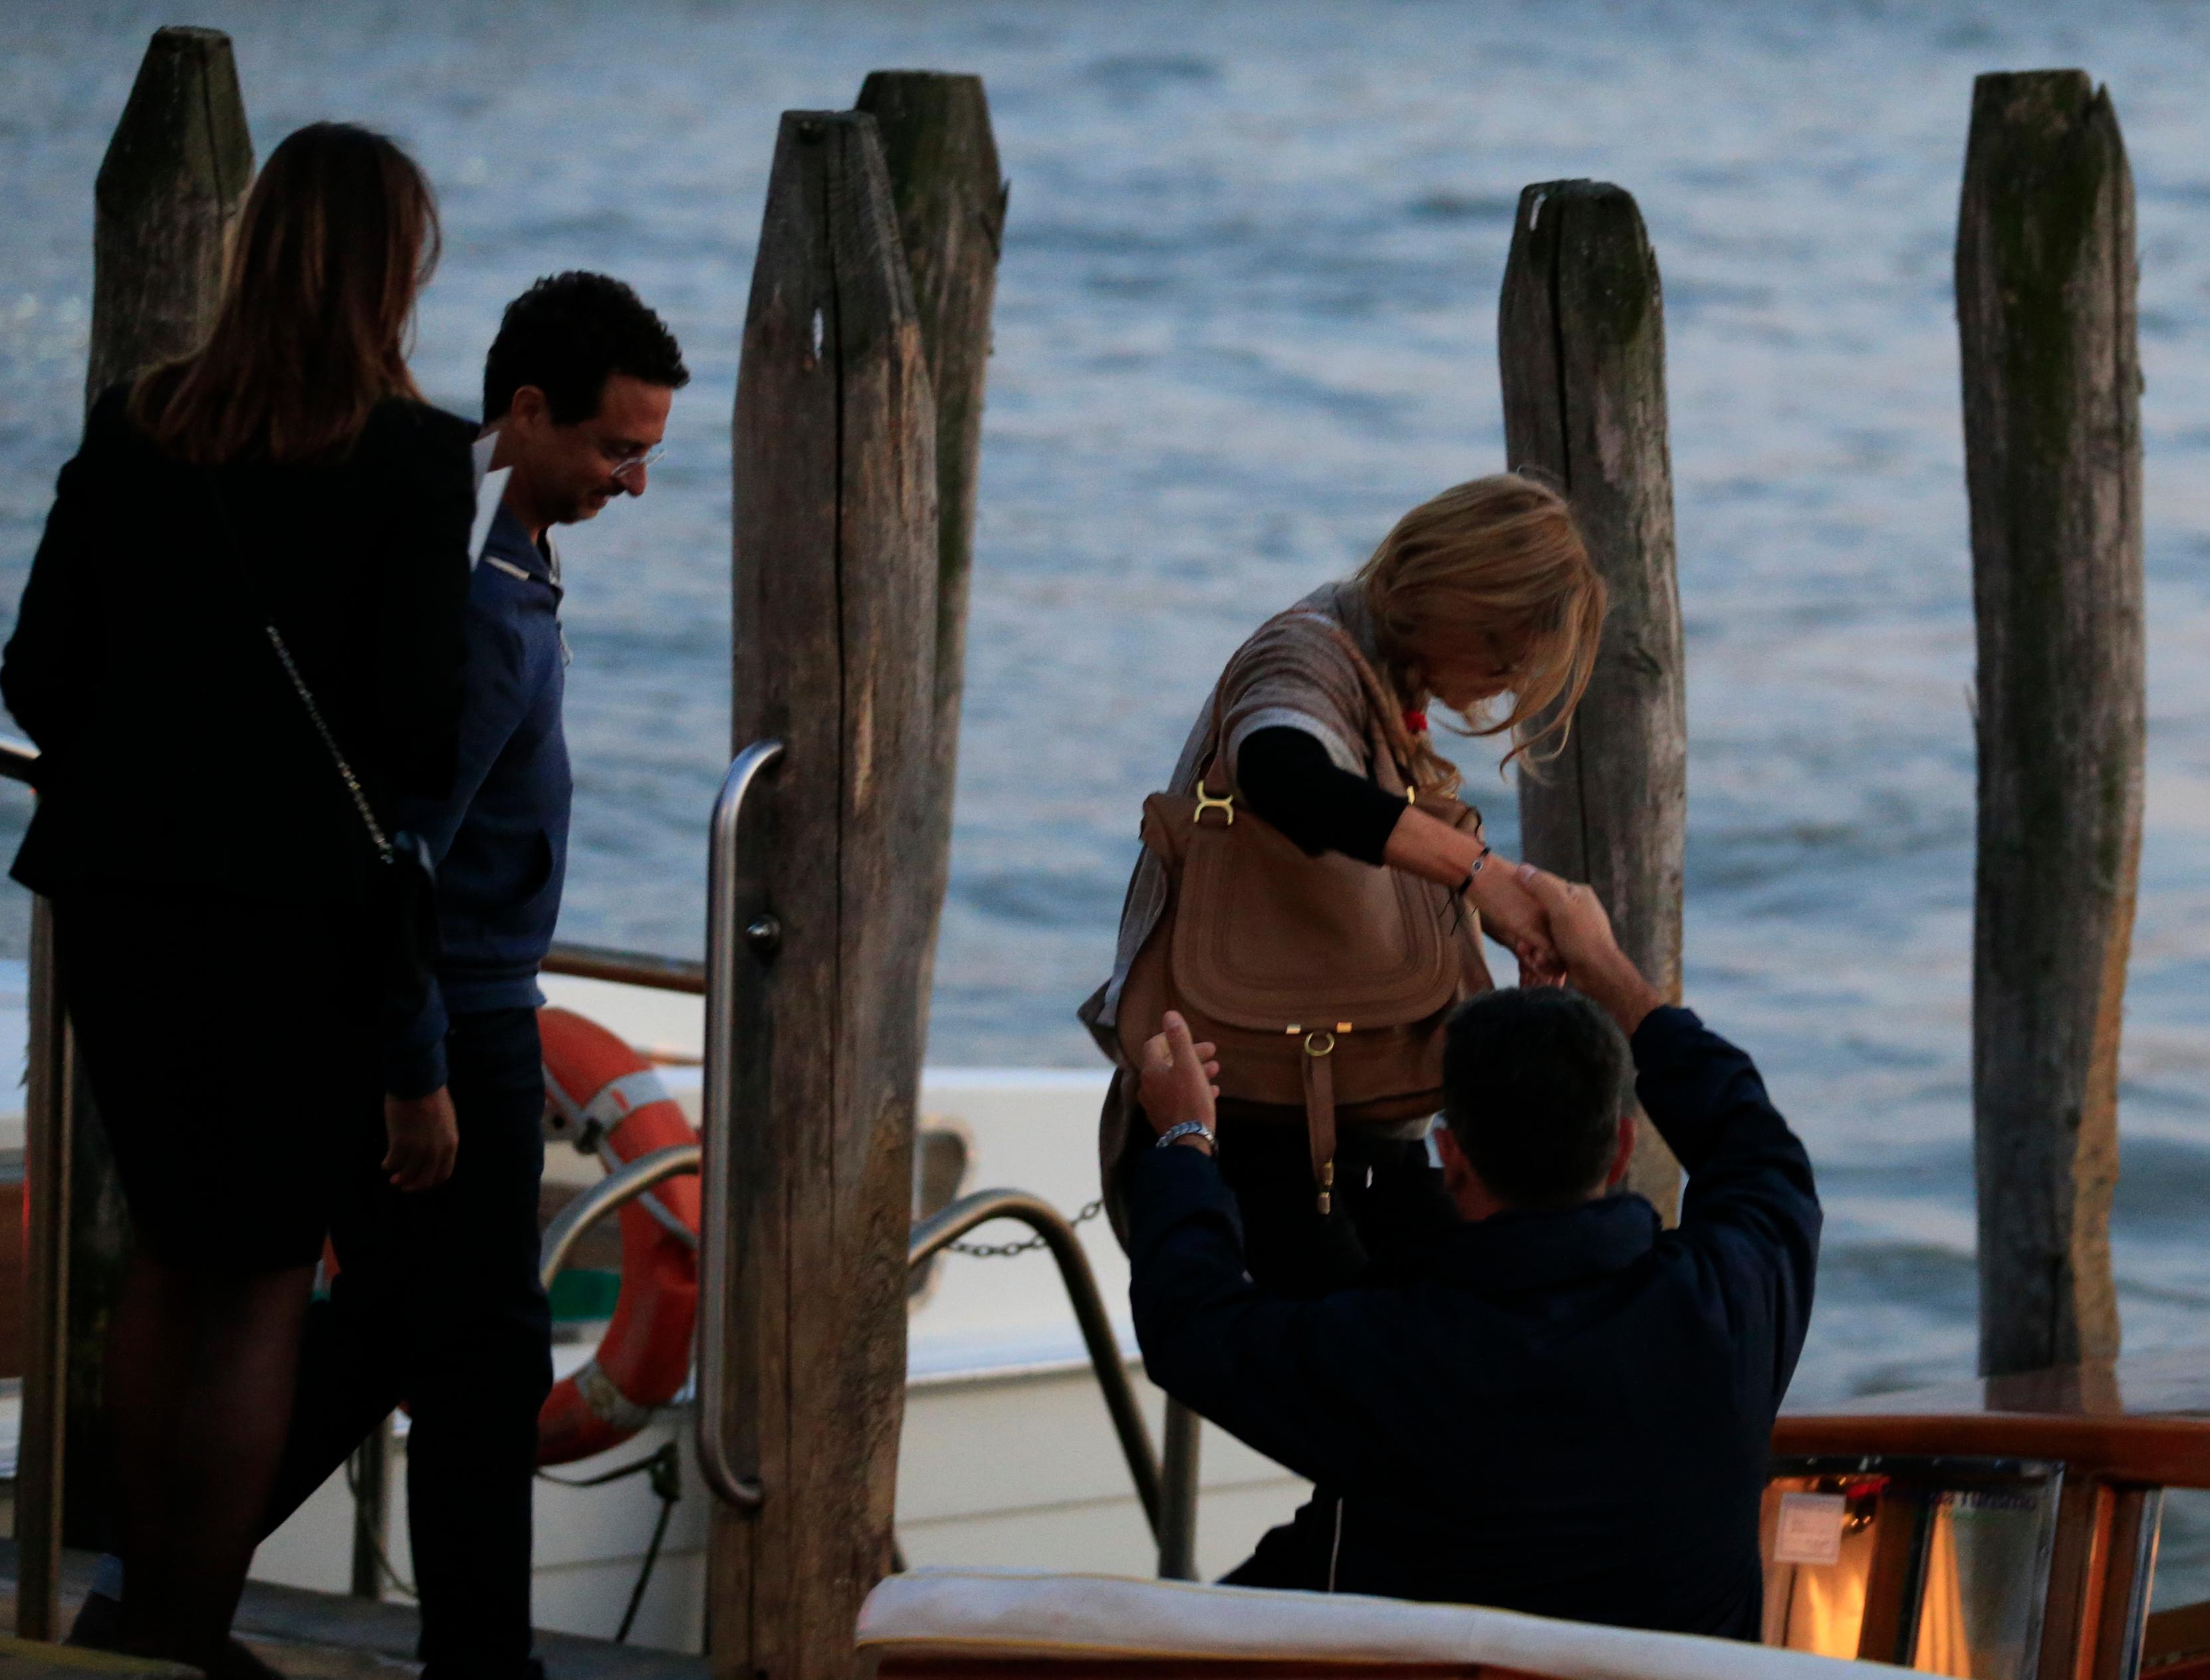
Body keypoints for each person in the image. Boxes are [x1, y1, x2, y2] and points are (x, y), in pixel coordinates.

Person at [4, 124, 475, 1678]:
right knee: (264, 1277)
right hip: (299, 918)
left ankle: (145, 1620)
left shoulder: (138, 426)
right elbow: (415, 729)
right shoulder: (410, 458)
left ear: (252, 248)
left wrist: (160, 763)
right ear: (389, 269)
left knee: (166, 1257)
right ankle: (187, 1640)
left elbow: (37, 672)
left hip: (124, 897)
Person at [245, 271, 690, 1680]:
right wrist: (418, 1068)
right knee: (486, 1363)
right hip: (461, 1019)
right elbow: (405, 849)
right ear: (528, 409)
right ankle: (482, 1663)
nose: (632, 484)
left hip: (423, 1005)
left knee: (381, 1332)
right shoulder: (484, 606)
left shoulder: (452, 528)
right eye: (617, 450)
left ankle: (159, 1584)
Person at [1126, 866, 1821, 1640]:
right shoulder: (1728, 1311)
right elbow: (1757, 1150)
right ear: (1621, 1147)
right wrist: (1614, 975)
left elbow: (1190, 1322)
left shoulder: (1391, 1355)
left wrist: (1185, 1134)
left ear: (1451, 1157)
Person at [1083, 475, 1606, 1296]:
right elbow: (1282, 773)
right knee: (1404, 1372)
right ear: (1452, 596)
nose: (1506, 684)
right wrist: (1481, 872)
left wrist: (1512, 974)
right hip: (1254, 1124)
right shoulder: (1308, 654)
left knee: (1498, 1317)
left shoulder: (1385, 682)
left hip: (1345, 1123)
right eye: (1501, 653)